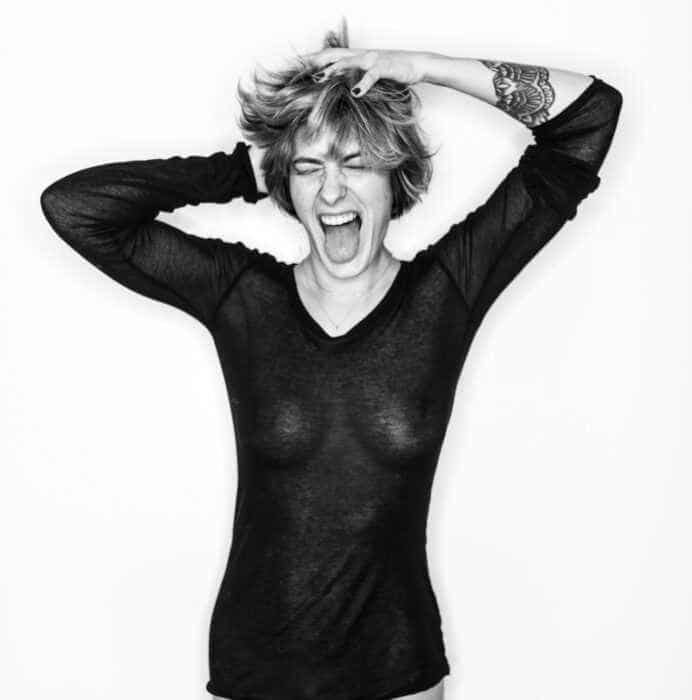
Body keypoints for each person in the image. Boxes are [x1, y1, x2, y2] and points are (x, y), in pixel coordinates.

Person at [39, 19, 622, 700]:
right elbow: (74, 209)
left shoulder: (449, 291)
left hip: (398, 668)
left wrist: (423, 65)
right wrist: (245, 170)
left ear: (396, 176)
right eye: (310, 168)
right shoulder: (241, 295)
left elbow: (589, 117)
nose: (332, 191)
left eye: (356, 163)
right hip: (256, 669)